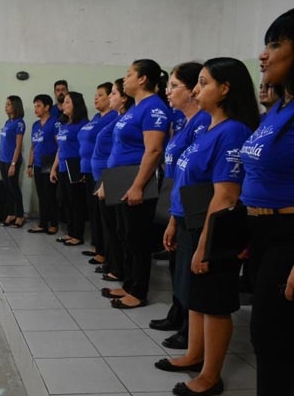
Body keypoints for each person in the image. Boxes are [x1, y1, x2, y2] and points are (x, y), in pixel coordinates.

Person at [158, 58, 259, 396]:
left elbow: (225, 196)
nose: (196, 90)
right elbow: (191, 182)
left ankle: (211, 375)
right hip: (192, 223)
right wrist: (175, 220)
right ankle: (195, 354)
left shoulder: (233, 131)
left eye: (203, 83)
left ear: (225, 88)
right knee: (196, 298)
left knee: (213, 302)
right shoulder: (209, 129)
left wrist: (205, 245)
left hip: (214, 229)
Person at [241, 8, 294, 396]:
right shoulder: (277, 109)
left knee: (274, 338)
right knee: (266, 337)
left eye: (275, 44)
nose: (264, 54)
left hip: (289, 236)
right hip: (263, 232)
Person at [149, 62, 210, 351]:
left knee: (188, 271)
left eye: (174, 86)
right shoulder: (186, 121)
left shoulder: (204, 123)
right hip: (178, 202)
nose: (167, 91)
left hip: (194, 205)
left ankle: (189, 327)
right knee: (176, 267)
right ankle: (178, 313)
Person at [101, 59, 170, 309]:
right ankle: (129, 283)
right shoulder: (134, 108)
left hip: (136, 179)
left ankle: (139, 291)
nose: (125, 78)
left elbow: (153, 150)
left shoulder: (153, 108)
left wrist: (139, 185)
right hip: (120, 177)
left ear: (142, 79)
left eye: (129, 74)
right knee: (124, 234)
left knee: (137, 237)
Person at [93, 79, 134, 282]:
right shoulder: (118, 119)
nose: (110, 97)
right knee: (110, 225)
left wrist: (107, 180)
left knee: (118, 228)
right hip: (108, 175)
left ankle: (118, 267)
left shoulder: (126, 119)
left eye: (114, 94)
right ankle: (112, 262)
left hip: (118, 177)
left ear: (125, 98)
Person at [78, 82, 118, 263]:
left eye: (101, 95)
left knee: (104, 215)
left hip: (104, 171)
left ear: (111, 97)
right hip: (89, 169)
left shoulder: (112, 117)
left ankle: (105, 252)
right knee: (93, 211)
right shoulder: (95, 117)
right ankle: (98, 247)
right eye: (95, 94)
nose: (96, 98)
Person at [50, 91, 89, 246]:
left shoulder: (83, 124)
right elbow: (60, 148)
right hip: (63, 166)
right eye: (64, 102)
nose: (64, 105)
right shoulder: (65, 125)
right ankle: (70, 231)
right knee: (65, 201)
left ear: (76, 105)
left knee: (76, 202)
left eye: (67, 102)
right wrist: (54, 168)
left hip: (75, 166)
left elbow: (85, 147)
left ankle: (77, 235)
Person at [26, 94, 59, 234]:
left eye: (39, 106)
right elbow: (33, 147)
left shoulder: (55, 123)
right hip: (38, 164)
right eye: (35, 106)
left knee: (50, 195)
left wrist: (55, 167)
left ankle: (53, 223)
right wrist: (30, 165)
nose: (36, 109)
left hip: (50, 162)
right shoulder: (35, 125)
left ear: (47, 107)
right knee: (41, 195)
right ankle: (42, 223)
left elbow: (60, 145)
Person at [0, 96, 26, 228]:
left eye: (8, 104)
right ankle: (11, 214)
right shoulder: (7, 122)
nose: (6, 106)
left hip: (12, 162)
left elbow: (18, 146)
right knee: (7, 189)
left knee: (14, 188)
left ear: (15, 106)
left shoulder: (19, 123)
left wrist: (13, 164)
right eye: (6, 104)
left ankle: (20, 215)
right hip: (3, 160)